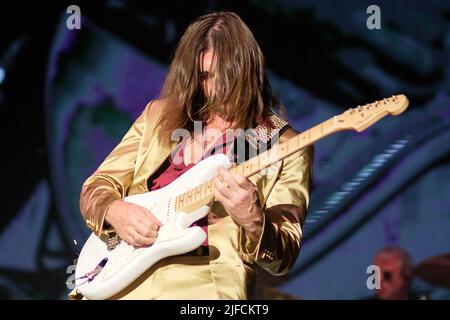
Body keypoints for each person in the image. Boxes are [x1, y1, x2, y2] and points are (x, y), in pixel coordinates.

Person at [70, 11, 314, 300]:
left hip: (203, 290)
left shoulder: (282, 143)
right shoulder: (158, 116)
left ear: (248, 69)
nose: (218, 87)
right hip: (121, 282)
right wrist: (114, 211)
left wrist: (253, 219)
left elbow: (282, 257)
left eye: (227, 74)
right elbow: (96, 188)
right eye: (205, 77)